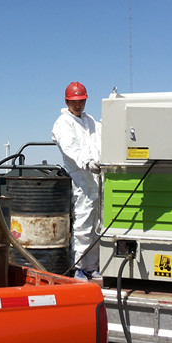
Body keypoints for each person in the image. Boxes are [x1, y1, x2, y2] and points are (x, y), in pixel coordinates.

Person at [51, 82, 102, 281]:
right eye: (74, 102)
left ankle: (92, 266)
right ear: (67, 101)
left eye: (81, 101)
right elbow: (70, 148)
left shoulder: (90, 121)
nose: (78, 105)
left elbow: (104, 136)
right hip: (80, 176)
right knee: (83, 222)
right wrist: (87, 162)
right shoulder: (63, 123)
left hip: (98, 176)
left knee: (98, 223)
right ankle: (79, 266)